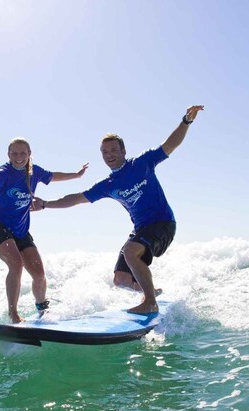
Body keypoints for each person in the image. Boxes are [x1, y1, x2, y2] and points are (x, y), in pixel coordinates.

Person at [31, 105, 205, 314]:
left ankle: (149, 302)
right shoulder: (108, 185)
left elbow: (171, 144)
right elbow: (76, 199)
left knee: (131, 252)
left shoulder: (142, 163)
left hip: (163, 223)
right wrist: (45, 204)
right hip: (141, 229)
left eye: (114, 150)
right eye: (105, 152)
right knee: (121, 279)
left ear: (123, 151)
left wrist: (186, 121)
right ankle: (150, 291)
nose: (109, 154)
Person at [0, 137, 88, 323]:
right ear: (8, 155)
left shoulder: (34, 171)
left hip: (21, 231)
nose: (19, 157)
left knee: (39, 274)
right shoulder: (4, 172)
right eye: (14, 153)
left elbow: (54, 176)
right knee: (16, 265)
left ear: (29, 154)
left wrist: (77, 175)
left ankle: (42, 310)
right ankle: (13, 314)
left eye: (23, 153)